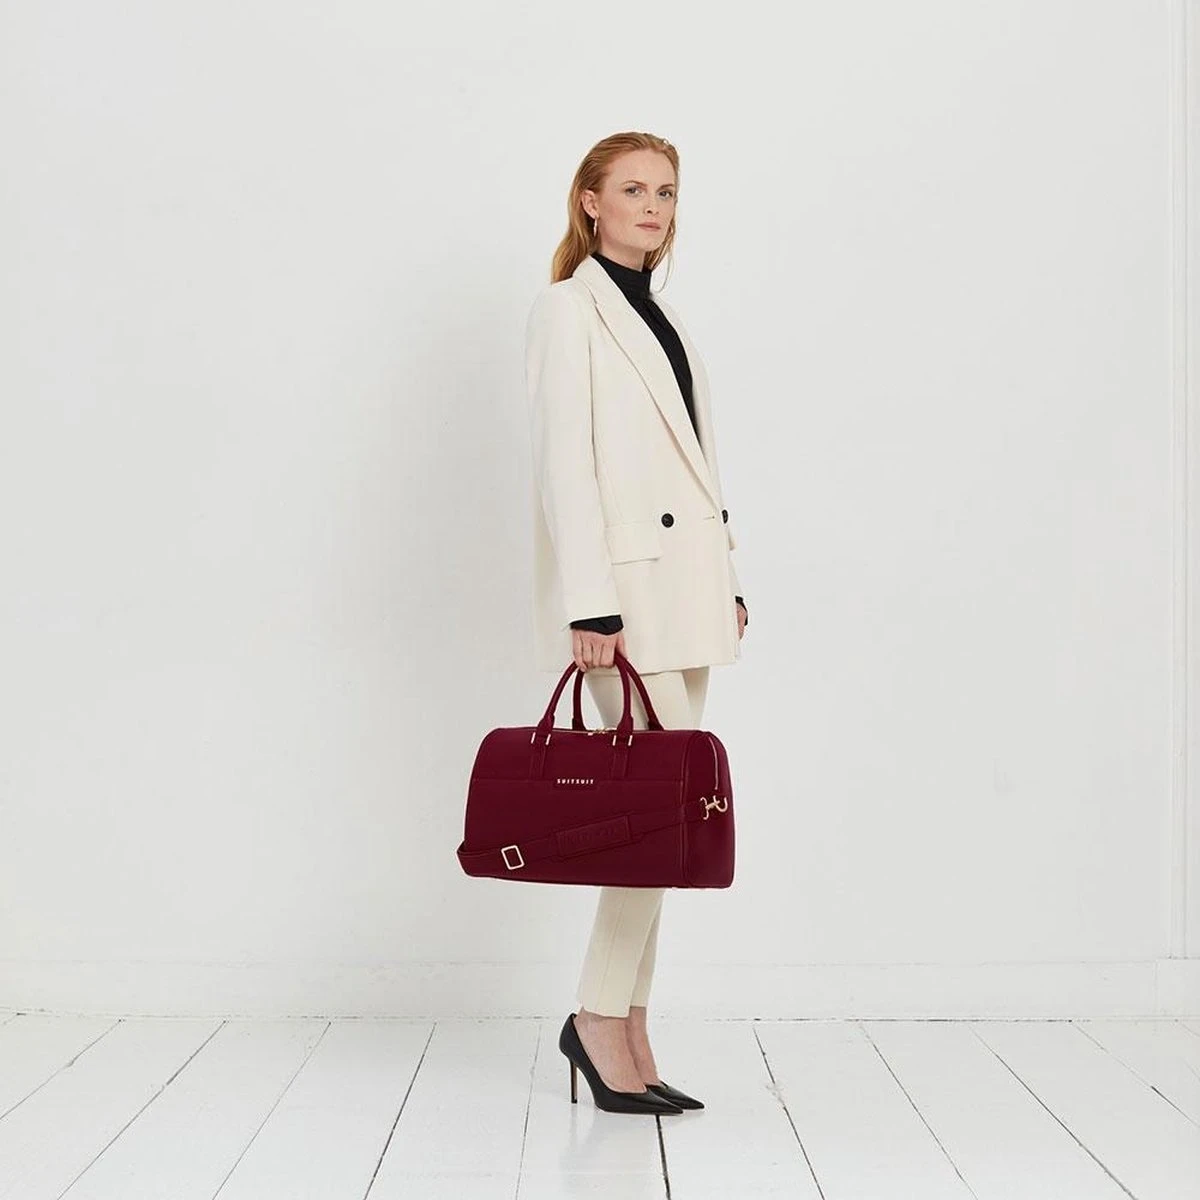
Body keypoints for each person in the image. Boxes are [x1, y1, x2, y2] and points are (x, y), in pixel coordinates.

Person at [524, 131, 747, 1114]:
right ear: (590, 202)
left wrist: (728, 578)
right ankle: (595, 1019)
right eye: (633, 190)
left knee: (672, 817)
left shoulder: (665, 315)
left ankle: (631, 1026)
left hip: (685, 590)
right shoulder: (567, 310)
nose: (654, 208)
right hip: (623, 602)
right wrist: (589, 603)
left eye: (666, 192)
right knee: (656, 820)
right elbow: (563, 464)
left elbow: (694, 465)